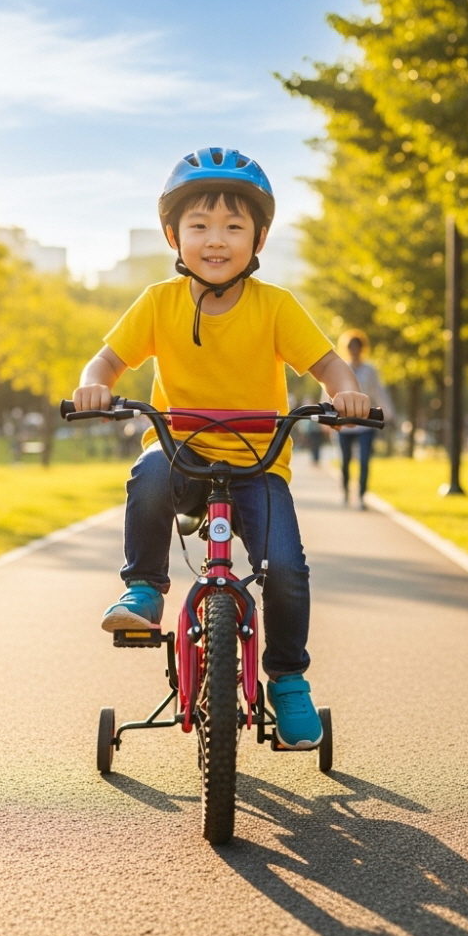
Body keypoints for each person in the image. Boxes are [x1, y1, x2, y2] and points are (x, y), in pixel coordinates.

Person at [72, 147, 369, 751]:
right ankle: (146, 589)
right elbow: (107, 359)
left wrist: (346, 396)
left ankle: (287, 679)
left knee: (285, 569)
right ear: (173, 235)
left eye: (234, 226)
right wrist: (94, 384)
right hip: (181, 455)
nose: (216, 239)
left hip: (258, 466)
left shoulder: (276, 306)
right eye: (199, 225)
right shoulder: (158, 302)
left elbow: (329, 365)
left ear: (258, 237)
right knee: (148, 474)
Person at [335, 330, 394, 509]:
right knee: (345, 461)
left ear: (362, 348)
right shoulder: (340, 367)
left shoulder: (370, 370)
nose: (354, 350)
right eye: (351, 347)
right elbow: (330, 391)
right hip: (344, 424)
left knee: (365, 461)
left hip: (365, 423)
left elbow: (379, 392)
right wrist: (327, 418)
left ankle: (361, 496)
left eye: (357, 347)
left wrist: (389, 414)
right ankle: (345, 491)